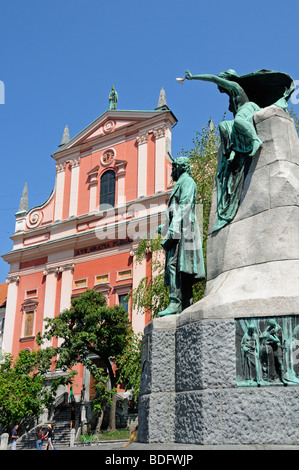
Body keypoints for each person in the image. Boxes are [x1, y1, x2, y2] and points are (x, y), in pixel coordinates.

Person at [157, 156, 205, 316]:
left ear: (180, 168)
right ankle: (186, 305)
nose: (171, 173)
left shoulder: (187, 182)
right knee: (181, 267)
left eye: (173, 169)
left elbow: (184, 206)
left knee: (174, 265)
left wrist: (171, 232)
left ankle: (175, 303)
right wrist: (164, 228)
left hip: (183, 230)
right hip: (180, 228)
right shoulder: (181, 183)